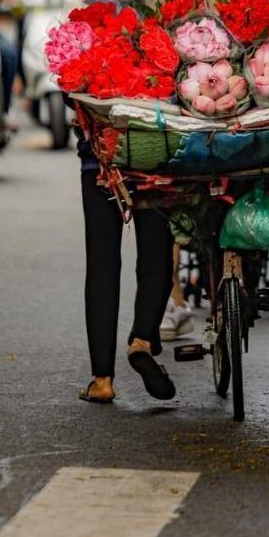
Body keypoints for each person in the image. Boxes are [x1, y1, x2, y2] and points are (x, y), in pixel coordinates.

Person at [77, 133, 175, 404]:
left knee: (101, 263)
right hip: (156, 157)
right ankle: (142, 340)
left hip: (99, 161)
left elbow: (71, 97)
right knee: (157, 250)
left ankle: (102, 381)